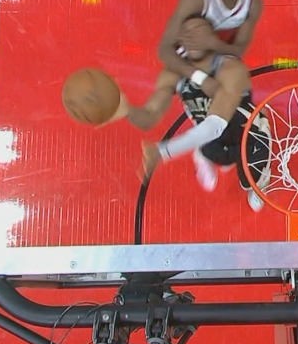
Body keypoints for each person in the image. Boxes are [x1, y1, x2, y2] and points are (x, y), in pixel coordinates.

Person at [114, 17, 271, 212]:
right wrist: (127, 111)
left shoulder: (230, 68)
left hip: (246, 131)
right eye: (187, 32)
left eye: (200, 30)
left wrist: (163, 152)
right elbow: (151, 113)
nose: (193, 37)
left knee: (249, 180)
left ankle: (259, 179)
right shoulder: (173, 74)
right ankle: (208, 153)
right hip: (212, 135)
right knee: (211, 150)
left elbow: (215, 125)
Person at [157, 0, 265, 101]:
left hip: (220, 62)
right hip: (187, 65)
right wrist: (200, 78)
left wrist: (212, 43)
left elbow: (239, 50)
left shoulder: (253, 4)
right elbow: (165, 49)